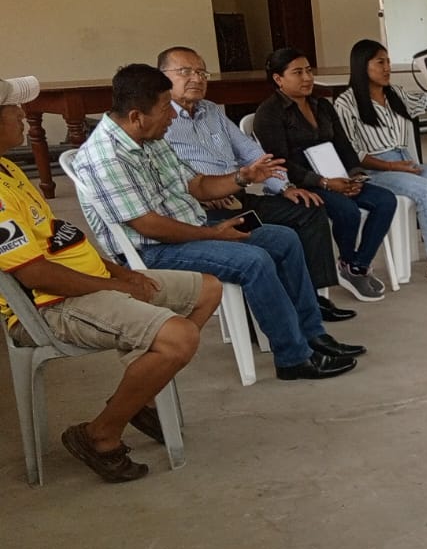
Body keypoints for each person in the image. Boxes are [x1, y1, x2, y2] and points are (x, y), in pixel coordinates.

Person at [71, 65, 362, 382]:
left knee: (284, 238)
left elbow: (196, 185)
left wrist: (243, 177)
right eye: (166, 108)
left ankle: (313, 334)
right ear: (136, 116)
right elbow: (148, 225)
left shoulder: (149, 138)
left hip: (189, 231)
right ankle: (293, 358)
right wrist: (214, 234)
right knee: (254, 260)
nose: (172, 116)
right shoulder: (105, 157)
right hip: (152, 250)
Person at [0, 81, 224, 482]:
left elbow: (58, 239)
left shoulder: (9, 169)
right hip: (48, 306)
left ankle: (140, 396)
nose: (21, 114)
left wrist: (119, 272)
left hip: (86, 282)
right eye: (11, 109)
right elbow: (34, 274)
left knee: (207, 288)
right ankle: (100, 433)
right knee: (179, 338)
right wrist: (117, 287)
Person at [158, 46, 355, 323]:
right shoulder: (159, 120)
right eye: (185, 71)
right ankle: (272, 314)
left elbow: (251, 152)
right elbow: (166, 171)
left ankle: (313, 298)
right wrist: (202, 190)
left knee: (308, 208)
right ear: (162, 76)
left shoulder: (211, 111)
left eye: (202, 72)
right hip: (204, 213)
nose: (197, 78)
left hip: (239, 199)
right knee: (268, 240)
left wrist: (285, 187)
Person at [253, 48, 397, 301]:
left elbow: (343, 145)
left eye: (309, 71)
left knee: (386, 200)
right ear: (278, 79)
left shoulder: (322, 105)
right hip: (303, 182)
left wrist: (355, 176)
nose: (307, 78)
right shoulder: (269, 113)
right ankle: (349, 261)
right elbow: (280, 162)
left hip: (338, 177)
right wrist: (325, 183)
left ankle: (356, 266)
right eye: (298, 73)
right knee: (347, 210)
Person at [332, 39, 427, 286]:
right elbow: (353, 153)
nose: (387, 68)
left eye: (388, 62)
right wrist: (391, 166)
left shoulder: (395, 93)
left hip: (405, 162)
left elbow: (422, 103)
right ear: (361, 65)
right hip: (375, 170)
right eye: (380, 62)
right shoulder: (346, 103)